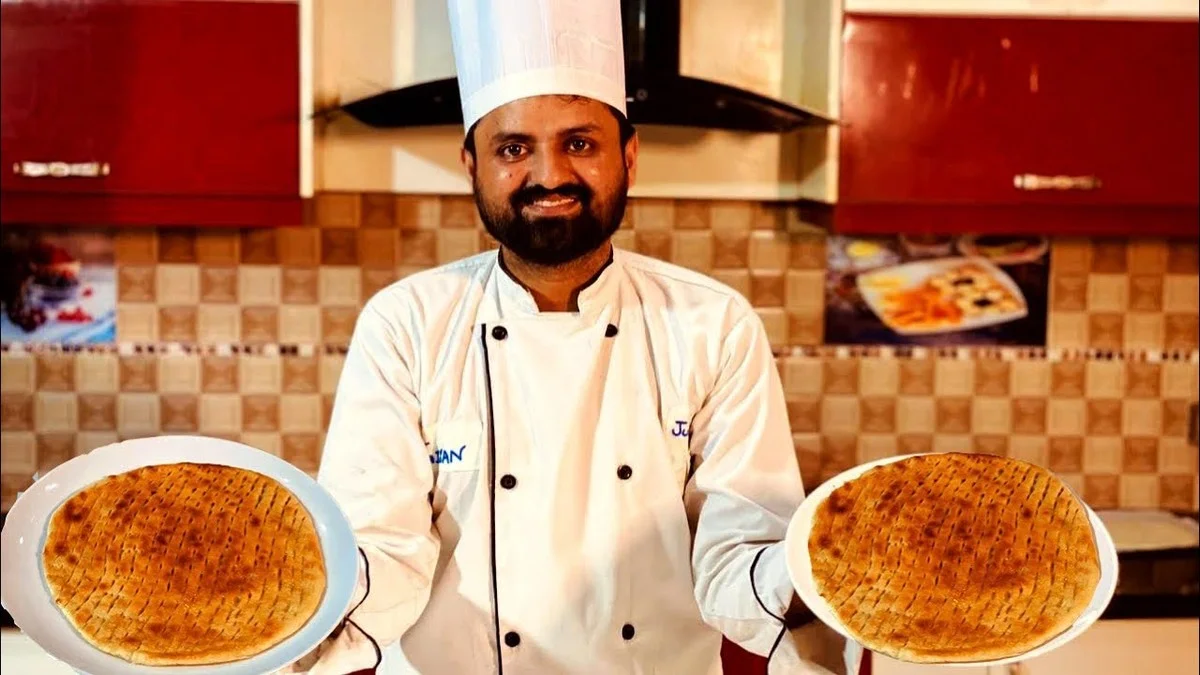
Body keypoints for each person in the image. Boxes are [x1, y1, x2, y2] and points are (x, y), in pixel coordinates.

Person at [284, 0, 860, 673]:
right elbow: (381, 550)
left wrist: (819, 576)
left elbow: (739, 553)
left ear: (630, 157)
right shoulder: (407, 324)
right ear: (471, 164)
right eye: (513, 147)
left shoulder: (712, 325)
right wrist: (290, 606)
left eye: (579, 143)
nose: (550, 175)